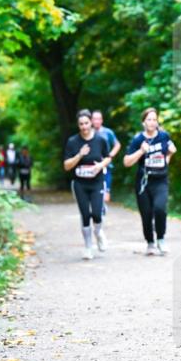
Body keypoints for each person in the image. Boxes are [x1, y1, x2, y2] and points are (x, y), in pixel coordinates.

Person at [124, 107, 177, 255]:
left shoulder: (164, 136)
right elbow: (126, 162)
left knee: (160, 209)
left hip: (160, 180)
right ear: (143, 122)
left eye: (154, 119)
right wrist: (141, 151)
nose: (152, 122)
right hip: (144, 182)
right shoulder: (138, 140)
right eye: (149, 119)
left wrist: (169, 156)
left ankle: (161, 239)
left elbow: (169, 152)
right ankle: (150, 243)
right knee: (146, 214)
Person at [64, 110, 112, 260]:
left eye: (86, 123)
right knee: (85, 214)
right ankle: (88, 247)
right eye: (81, 124)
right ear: (78, 125)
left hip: (97, 182)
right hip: (80, 184)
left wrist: (100, 166)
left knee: (97, 214)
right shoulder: (73, 142)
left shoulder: (100, 140)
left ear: (91, 122)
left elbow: (108, 158)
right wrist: (79, 155)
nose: (84, 127)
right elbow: (67, 166)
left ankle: (98, 233)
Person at [91, 110, 121, 214]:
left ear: (102, 120)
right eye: (94, 119)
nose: (96, 121)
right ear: (91, 120)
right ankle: (97, 208)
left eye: (98, 119)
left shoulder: (108, 132)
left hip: (106, 166)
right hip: (92, 166)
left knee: (106, 195)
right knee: (94, 190)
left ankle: (101, 205)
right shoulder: (88, 133)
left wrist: (111, 155)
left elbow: (117, 145)